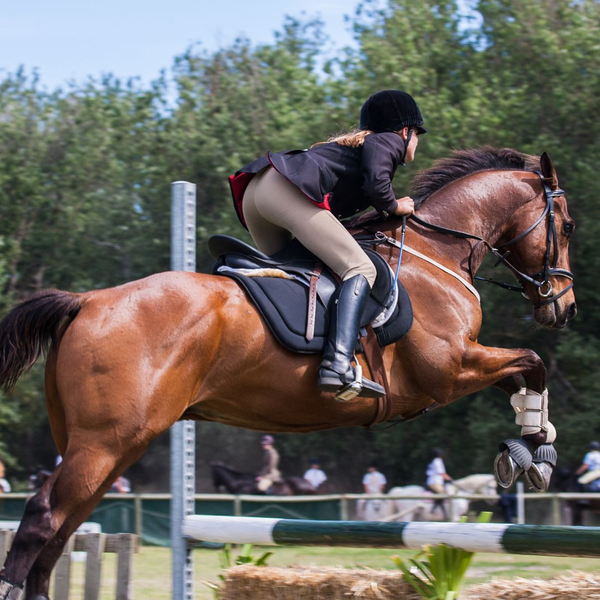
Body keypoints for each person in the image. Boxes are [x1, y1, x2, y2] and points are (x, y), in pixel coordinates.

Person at [229, 90, 426, 400]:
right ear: (405, 131)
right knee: (360, 267)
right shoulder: (385, 141)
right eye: (418, 135)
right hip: (283, 192)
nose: (417, 143)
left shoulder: (352, 148)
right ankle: (337, 363)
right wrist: (395, 206)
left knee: (291, 274)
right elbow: (378, 185)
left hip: (257, 193)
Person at [426, 448, 453, 519]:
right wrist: (449, 479)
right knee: (442, 493)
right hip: (435, 482)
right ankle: (434, 509)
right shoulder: (437, 461)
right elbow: (442, 473)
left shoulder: (433, 461)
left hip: (435, 481)